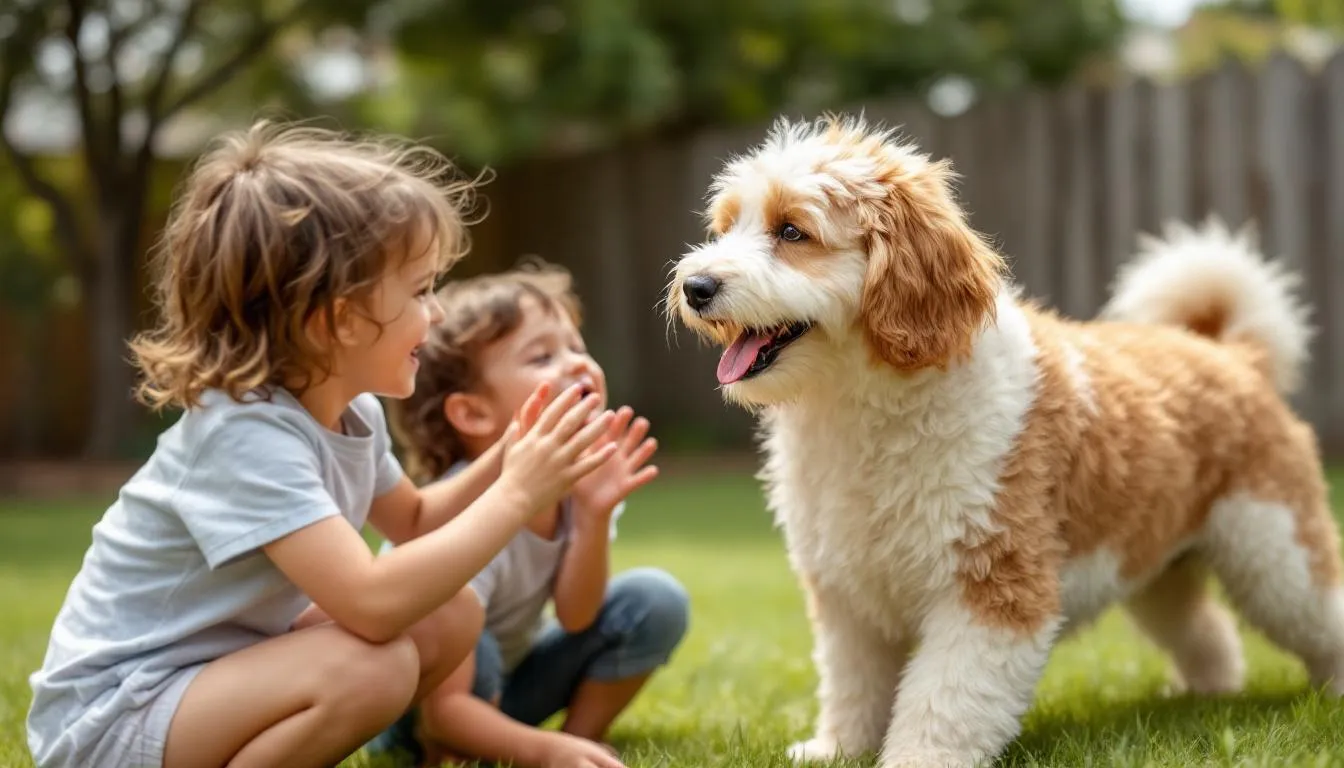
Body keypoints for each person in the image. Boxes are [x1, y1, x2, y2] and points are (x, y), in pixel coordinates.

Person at [26, 121, 619, 768]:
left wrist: (511, 450)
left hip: (208, 685)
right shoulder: (244, 434)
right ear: (337, 319)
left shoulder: (349, 412)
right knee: (374, 668)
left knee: (446, 615)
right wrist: (517, 492)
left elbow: (414, 520)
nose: (438, 314)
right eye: (420, 291)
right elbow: (369, 603)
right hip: (113, 720)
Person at [366, 261, 690, 768]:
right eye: (541, 357)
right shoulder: (460, 512)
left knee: (655, 598)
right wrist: (540, 752)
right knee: (479, 646)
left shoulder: (576, 482)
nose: (576, 364)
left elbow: (576, 616)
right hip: (422, 705)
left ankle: (583, 743)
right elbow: (446, 704)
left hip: (509, 688)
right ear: (472, 413)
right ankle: (483, 751)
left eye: (577, 347)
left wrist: (593, 515)